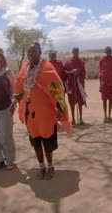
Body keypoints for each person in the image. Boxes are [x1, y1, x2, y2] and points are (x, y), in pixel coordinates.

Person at [14, 43, 71, 180]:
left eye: (33, 51)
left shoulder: (47, 68)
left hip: (46, 113)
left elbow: (58, 88)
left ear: (40, 52)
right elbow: (20, 89)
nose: (30, 54)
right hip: (30, 112)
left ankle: (50, 166)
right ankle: (41, 166)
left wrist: (60, 108)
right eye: (29, 52)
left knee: (47, 141)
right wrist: (14, 101)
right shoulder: (25, 68)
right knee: (35, 141)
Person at [64, 47, 87, 125]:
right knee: (72, 102)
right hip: (71, 84)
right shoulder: (68, 62)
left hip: (79, 85)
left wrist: (79, 73)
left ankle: (80, 118)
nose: (76, 52)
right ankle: (73, 119)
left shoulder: (81, 62)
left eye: (77, 51)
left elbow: (84, 72)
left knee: (80, 102)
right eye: (75, 51)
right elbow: (65, 72)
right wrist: (71, 72)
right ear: (72, 52)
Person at [99, 46, 112, 123]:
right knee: (104, 100)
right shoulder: (102, 60)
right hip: (104, 83)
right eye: (107, 51)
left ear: (111, 52)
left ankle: (109, 116)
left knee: (110, 100)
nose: (108, 53)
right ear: (105, 52)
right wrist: (100, 84)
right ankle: (105, 116)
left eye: (110, 51)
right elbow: (100, 73)